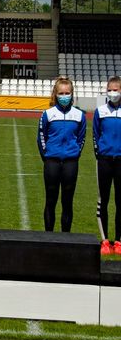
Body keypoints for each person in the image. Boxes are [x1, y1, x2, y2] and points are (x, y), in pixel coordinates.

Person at [37, 77, 86, 233]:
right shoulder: (48, 114)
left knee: (67, 202)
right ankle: (49, 237)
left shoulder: (79, 115)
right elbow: (41, 137)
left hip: (71, 163)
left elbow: (81, 137)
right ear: (55, 94)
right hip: (52, 162)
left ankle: (66, 239)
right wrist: (47, 155)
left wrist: (75, 152)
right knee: (50, 201)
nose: (64, 96)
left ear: (72, 94)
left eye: (67, 93)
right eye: (61, 93)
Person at [93, 75, 121, 255]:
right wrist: (100, 154)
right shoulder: (100, 111)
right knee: (103, 200)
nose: (112, 93)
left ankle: (118, 241)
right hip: (104, 160)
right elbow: (95, 135)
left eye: (116, 89)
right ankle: (104, 240)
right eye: (110, 89)